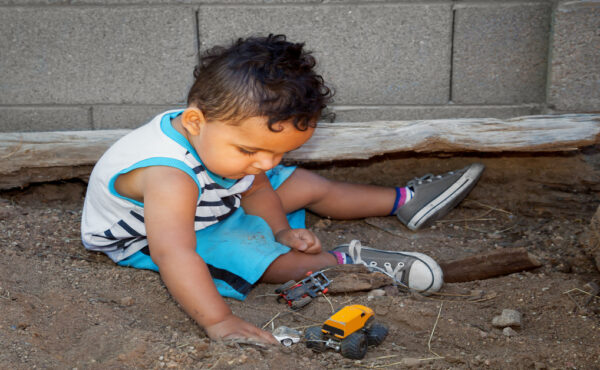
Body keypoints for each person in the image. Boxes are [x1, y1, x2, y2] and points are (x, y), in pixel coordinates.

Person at [81, 34, 484, 345]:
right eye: (252, 149)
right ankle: (347, 260)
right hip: (161, 232)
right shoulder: (168, 176)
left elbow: (255, 186)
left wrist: (281, 230)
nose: (267, 162)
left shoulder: (222, 139)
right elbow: (175, 252)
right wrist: (219, 322)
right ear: (193, 122)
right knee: (265, 261)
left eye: (279, 152)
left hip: (214, 195)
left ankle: (405, 201)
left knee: (304, 183)